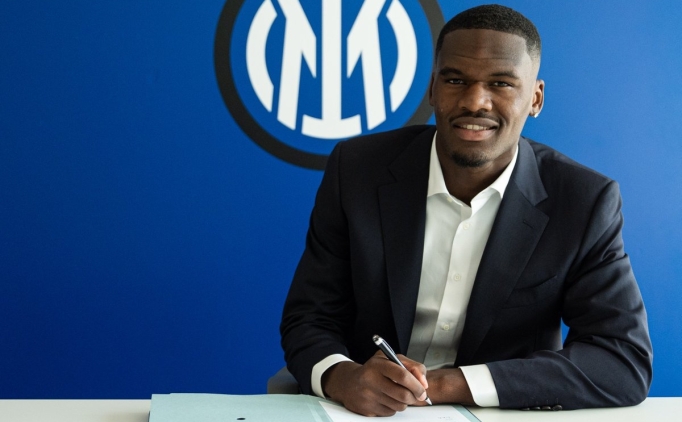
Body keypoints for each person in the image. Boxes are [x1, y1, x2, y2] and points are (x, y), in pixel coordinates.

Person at [280, 4, 652, 416]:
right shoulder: (357, 171)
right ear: (432, 89)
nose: (475, 101)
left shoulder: (583, 201)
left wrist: (448, 384)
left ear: (535, 98)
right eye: (455, 80)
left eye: (501, 83)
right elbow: (309, 318)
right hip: (366, 414)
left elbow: (621, 359)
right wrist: (343, 377)